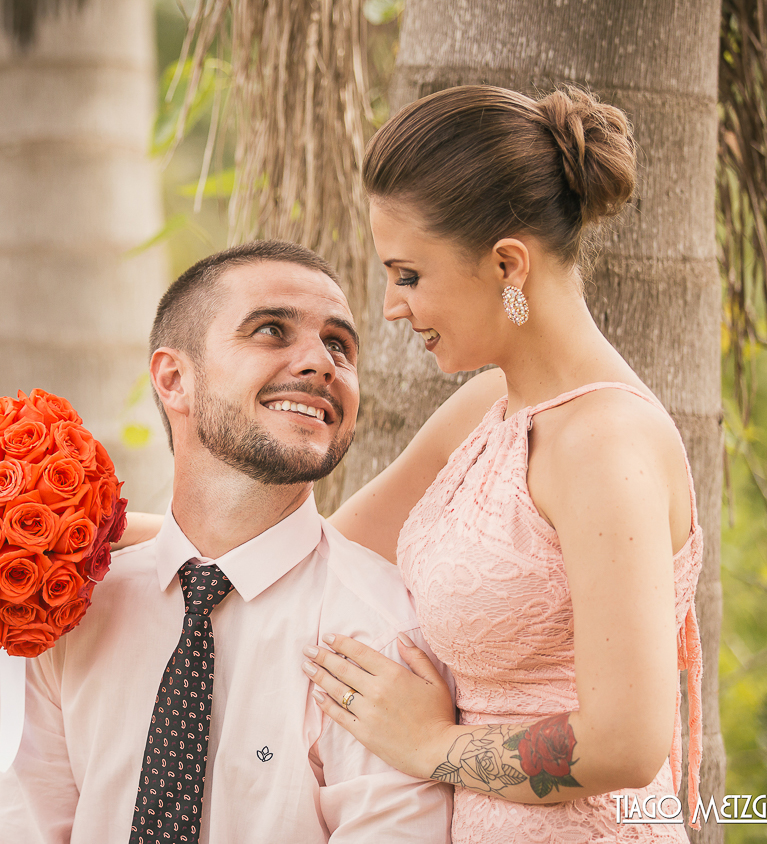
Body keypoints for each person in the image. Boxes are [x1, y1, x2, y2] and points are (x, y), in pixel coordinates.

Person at [300, 85, 704, 842]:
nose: (390, 306)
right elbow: (323, 555)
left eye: (408, 275)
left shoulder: (605, 446)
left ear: (508, 263)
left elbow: (626, 741)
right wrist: (118, 533)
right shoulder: (489, 408)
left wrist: (431, 745)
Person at [0, 240, 453, 843]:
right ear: (174, 380)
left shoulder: (380, 637)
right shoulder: (67, 613)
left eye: (339, 346)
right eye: (271, 330)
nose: (322, 363)